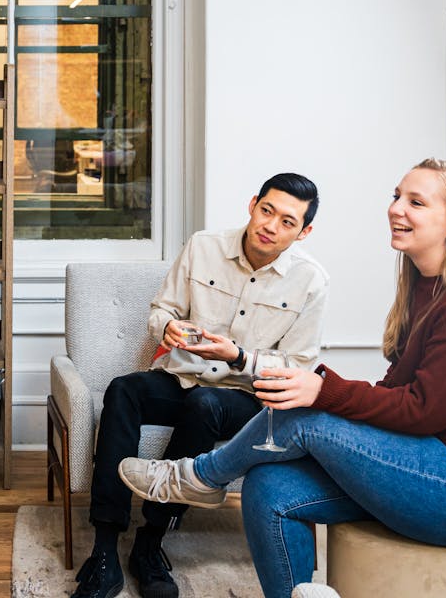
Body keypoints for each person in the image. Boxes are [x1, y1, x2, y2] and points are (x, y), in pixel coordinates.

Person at [118, 158, 446, 598]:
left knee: (306, 412)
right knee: (268, 487)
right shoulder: (424, 285)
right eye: (397, 196)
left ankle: (200, 477)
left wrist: (324, 391)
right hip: (428, 462)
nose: (396, 209)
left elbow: (423, 411)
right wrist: (325, 397)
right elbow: (398, 394)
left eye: (416, 202)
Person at [72, 174, 328, 598]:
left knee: (207, 404)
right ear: (252, 204)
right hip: (181, 376)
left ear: (304, 231)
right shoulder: (203, 246)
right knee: (123, 389)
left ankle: (150, 543)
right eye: (267, 211)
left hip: (245, 397)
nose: (271, 226)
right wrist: (168, 327)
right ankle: (104, 549)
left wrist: (239, 358)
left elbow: (298, 367)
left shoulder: (311, 280)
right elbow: (162, 310)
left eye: (287, 222)